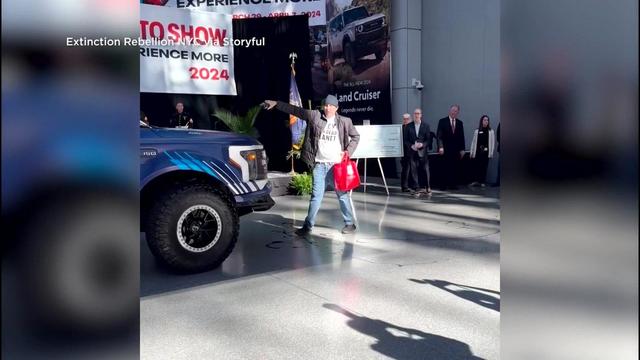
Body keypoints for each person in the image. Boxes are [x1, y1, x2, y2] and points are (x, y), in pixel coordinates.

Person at [263, 95, 360, 235]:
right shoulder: (315, 116)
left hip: (336, 167)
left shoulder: (345, 121)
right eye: (325, 105)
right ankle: (308, 226)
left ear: (336, 108)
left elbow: (356, 137)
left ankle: (350, 224)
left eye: (330, 106)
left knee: (342, 195)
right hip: (319, 165)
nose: (327, 108)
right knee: (316, 196)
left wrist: (347, 152)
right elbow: (296, 110)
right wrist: (277, 103)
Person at [403, 108, 432, 195]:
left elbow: (428, 140)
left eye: (418, 113)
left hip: (422, 152)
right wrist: (411, 146)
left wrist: (422, 145)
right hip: (412, 151)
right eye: (415, 113)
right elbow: (405, 140)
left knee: (425, 169)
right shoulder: (408, 126)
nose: (416, 115)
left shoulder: (426, 125)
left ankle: (428, 186)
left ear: (421, 115)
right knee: (413, 170)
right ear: (413, 115)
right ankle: (416, 187)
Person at [437, 104, 466, 190]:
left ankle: (452, 184)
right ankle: (443, 185)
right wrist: (440, 147)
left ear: (458, 113)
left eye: (456, 111)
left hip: (455, 150)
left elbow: (462, 137)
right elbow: (439, 136)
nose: (454, 112)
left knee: (454, 167)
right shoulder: (442, 121)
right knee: (444, 167)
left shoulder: (460, 123)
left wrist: (462, 149)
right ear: (450, 111)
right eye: (453, 110)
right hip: (445, 149)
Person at [469, 115, 496, 187]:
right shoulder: (477, 131)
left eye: (487, 120)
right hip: (477, 152)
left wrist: (491, 153)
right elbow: (473, 142)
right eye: (484, 120)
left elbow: (492, 143)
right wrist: (472, 152)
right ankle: (476, 181)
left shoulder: (491, 131)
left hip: (486, 152)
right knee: (476, 167)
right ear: (481, 121)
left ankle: (482, 182)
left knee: (484, 167)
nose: (486, 121)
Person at [400, 113, 415, 192]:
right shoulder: (400, 128)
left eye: (407, 119)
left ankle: (413, 185)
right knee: (405, 169)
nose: (405, 120)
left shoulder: (414, 128)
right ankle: (404, 186)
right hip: (404, 153)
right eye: (404, 119)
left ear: (411, 119)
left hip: (413, 152)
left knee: (413, 169)